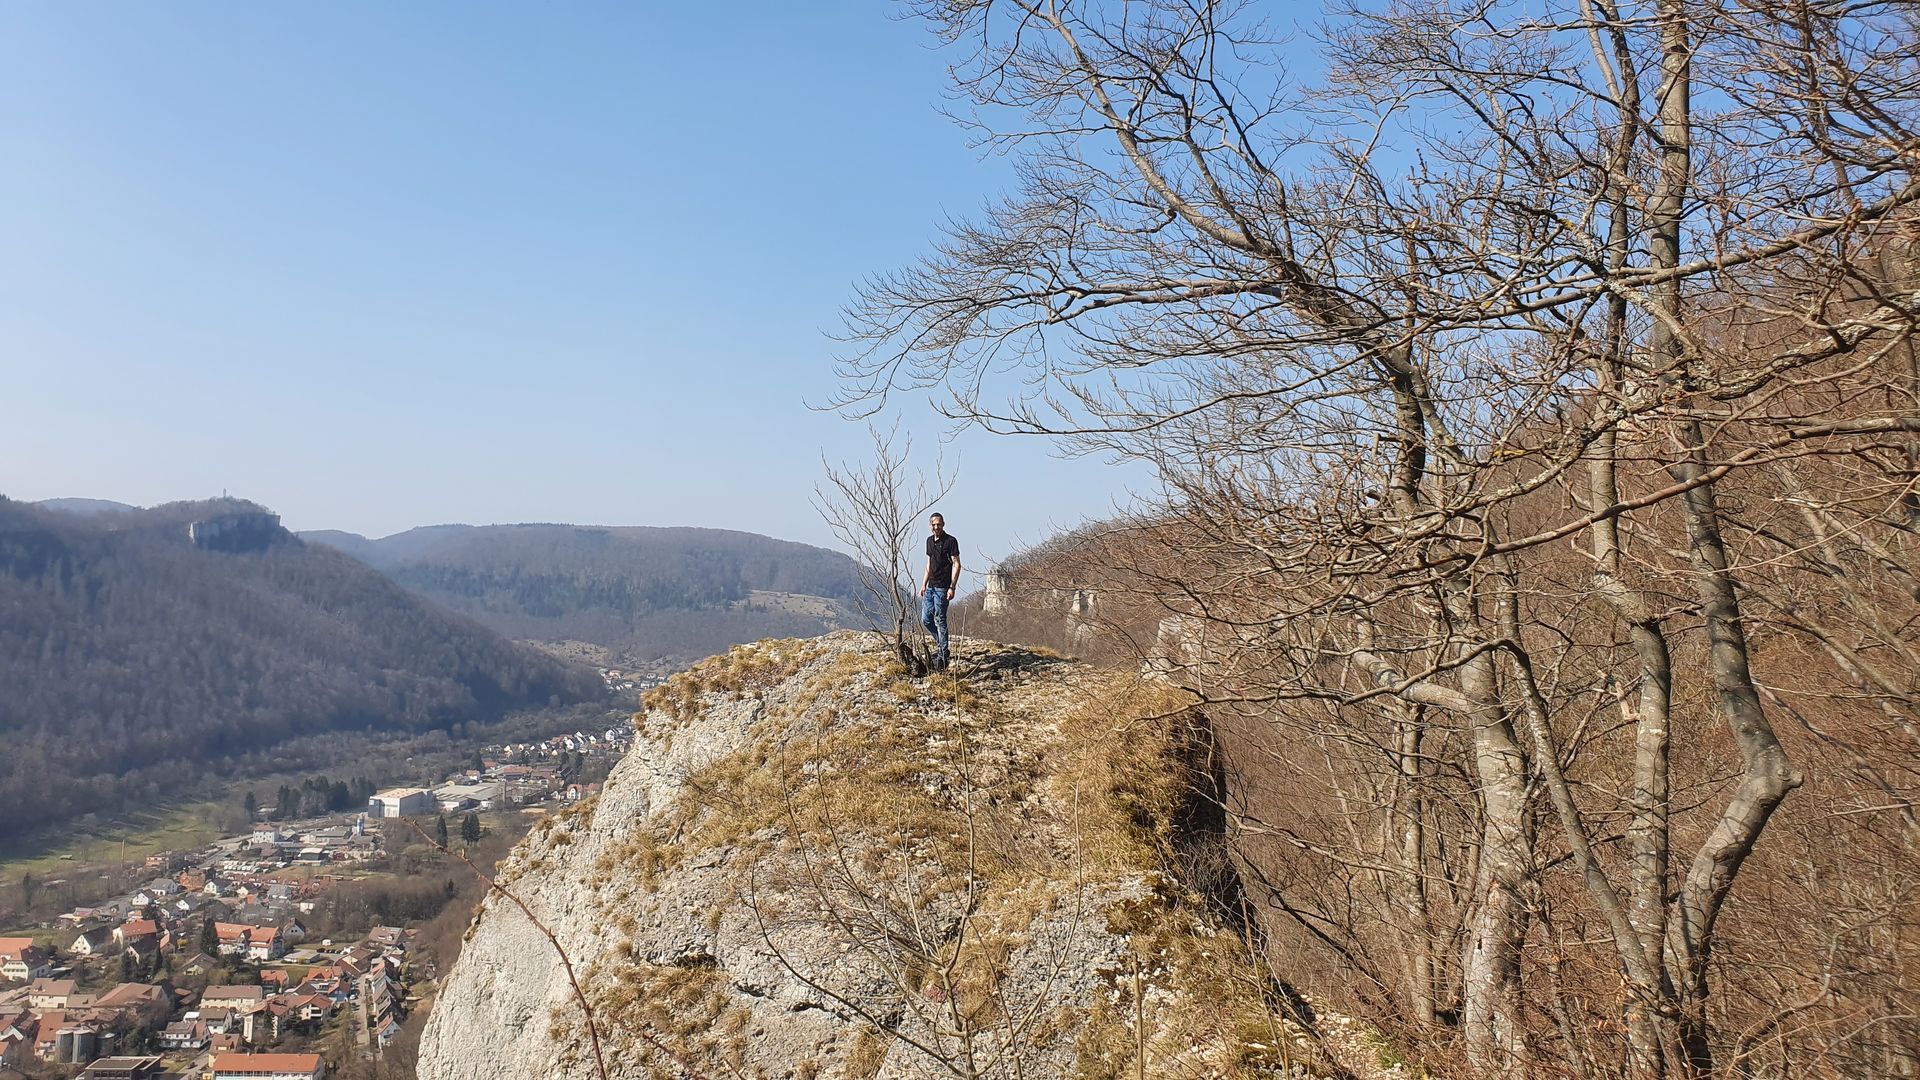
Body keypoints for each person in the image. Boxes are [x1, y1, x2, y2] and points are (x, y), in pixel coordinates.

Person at [920, 511, 960, 671]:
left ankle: (943, 656)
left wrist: (952, 586)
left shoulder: (951, 541)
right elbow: (929, 563)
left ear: (943, 524)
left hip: (943, 587)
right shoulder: (929, 541)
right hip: (930, 586)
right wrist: (923, 584)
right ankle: (942, 646)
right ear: (930, 525)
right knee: (926, 619)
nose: (936, 527)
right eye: (934, 524)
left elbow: (957, 564)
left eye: (939, 524)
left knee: (940, 619)